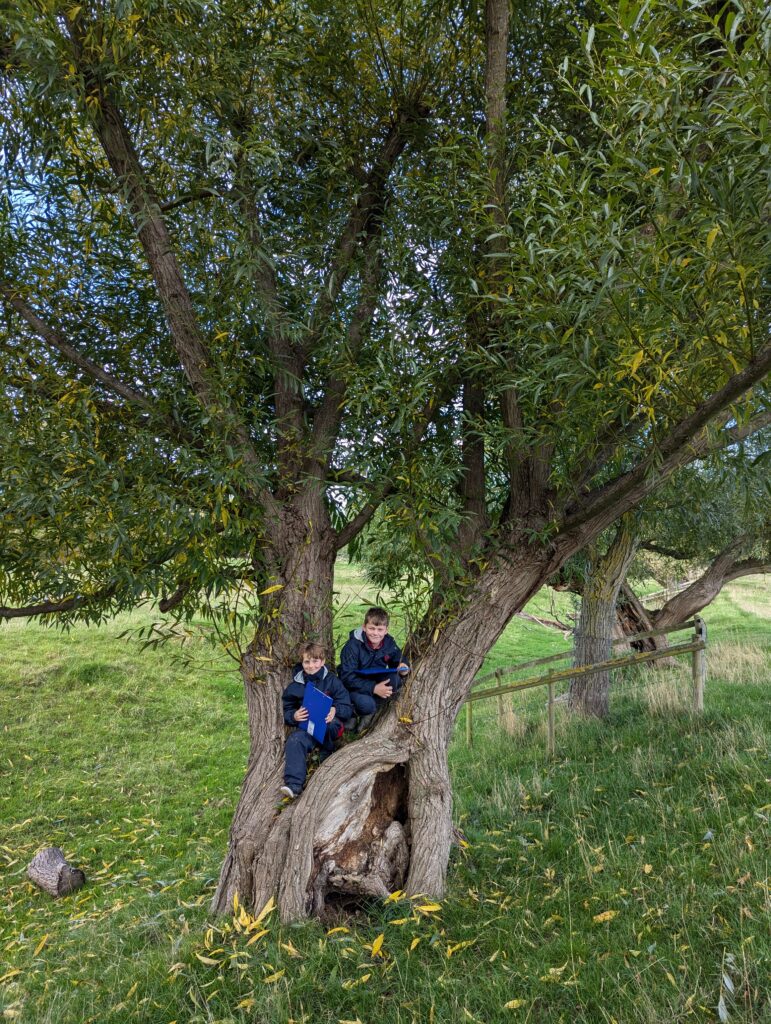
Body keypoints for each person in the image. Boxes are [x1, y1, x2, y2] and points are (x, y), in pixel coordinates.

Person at [280, 642, 352, 799]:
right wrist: (293, 716)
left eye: (315, 661)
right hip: (308, 729)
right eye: (307, 661)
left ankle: (328, 750)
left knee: (332, 724)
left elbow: (347, 707)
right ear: (302, 662)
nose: (311, 666)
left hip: (329, 728)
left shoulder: (333, 681)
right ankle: (294, 785)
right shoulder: (295, 686)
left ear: (323, 661)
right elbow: (286, 709)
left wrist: (335, 710)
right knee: (295, 740)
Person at [338, 606, 409, 730]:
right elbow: (346, 677)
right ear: (364, 627)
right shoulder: (352, 646)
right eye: (371, 628)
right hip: (353, 687)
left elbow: (398, 658)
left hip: (374, 680)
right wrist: (373, 688)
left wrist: (403, 666)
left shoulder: (388, 642)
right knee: (367, 704)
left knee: (395, 680)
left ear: (386, 630)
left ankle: (371, 712)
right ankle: (353, 713)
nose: (375, 633)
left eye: (380, 629)